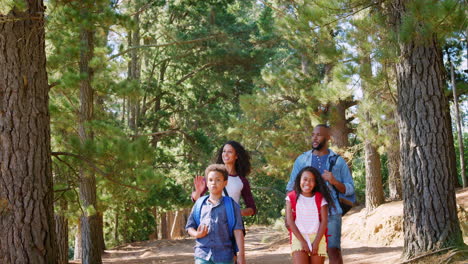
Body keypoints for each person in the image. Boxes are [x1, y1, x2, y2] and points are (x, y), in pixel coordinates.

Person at [286, 124, 355, 264]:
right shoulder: (302, 160)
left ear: (328, 137)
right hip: (305, 214)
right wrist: (288, 215)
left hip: (331, 213)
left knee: (333, 251)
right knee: (305, 251)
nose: (315, 138)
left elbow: (350, 189)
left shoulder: (338, 161)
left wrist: (334, 181)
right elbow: (291, 187)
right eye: (313, 135)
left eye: (319, 135)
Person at [186, 164, 245, 264]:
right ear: (207, 183)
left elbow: (238, 231)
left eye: (218, 180)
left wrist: (241, 255)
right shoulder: (199, 204)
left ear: (225, 183)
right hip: (202, 255)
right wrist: (197, 234)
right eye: (210, 180)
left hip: (225, 256)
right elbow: (189, 227)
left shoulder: (231, 205)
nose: (214, 183)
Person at [192, 141, 256, 216]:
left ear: (236, 156)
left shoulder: (242, 181)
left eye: (230, 152)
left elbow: (252, 209)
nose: (225, 154)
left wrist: (236, 212)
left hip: (233, 225)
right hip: (214, 222)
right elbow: (196, 199)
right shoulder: (213, 174)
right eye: (224, 151)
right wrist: (198, 192)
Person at [286, 166, 334, 264]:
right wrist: (303, 242)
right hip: (298, 238)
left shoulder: (320, 198)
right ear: (299, 180)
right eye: (305, 179)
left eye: (312, 180)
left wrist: (316, 242)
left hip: (318, 237)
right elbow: (290, 221)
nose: (307, 183)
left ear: (316, 183)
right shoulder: (291, 197)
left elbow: (324, 222)